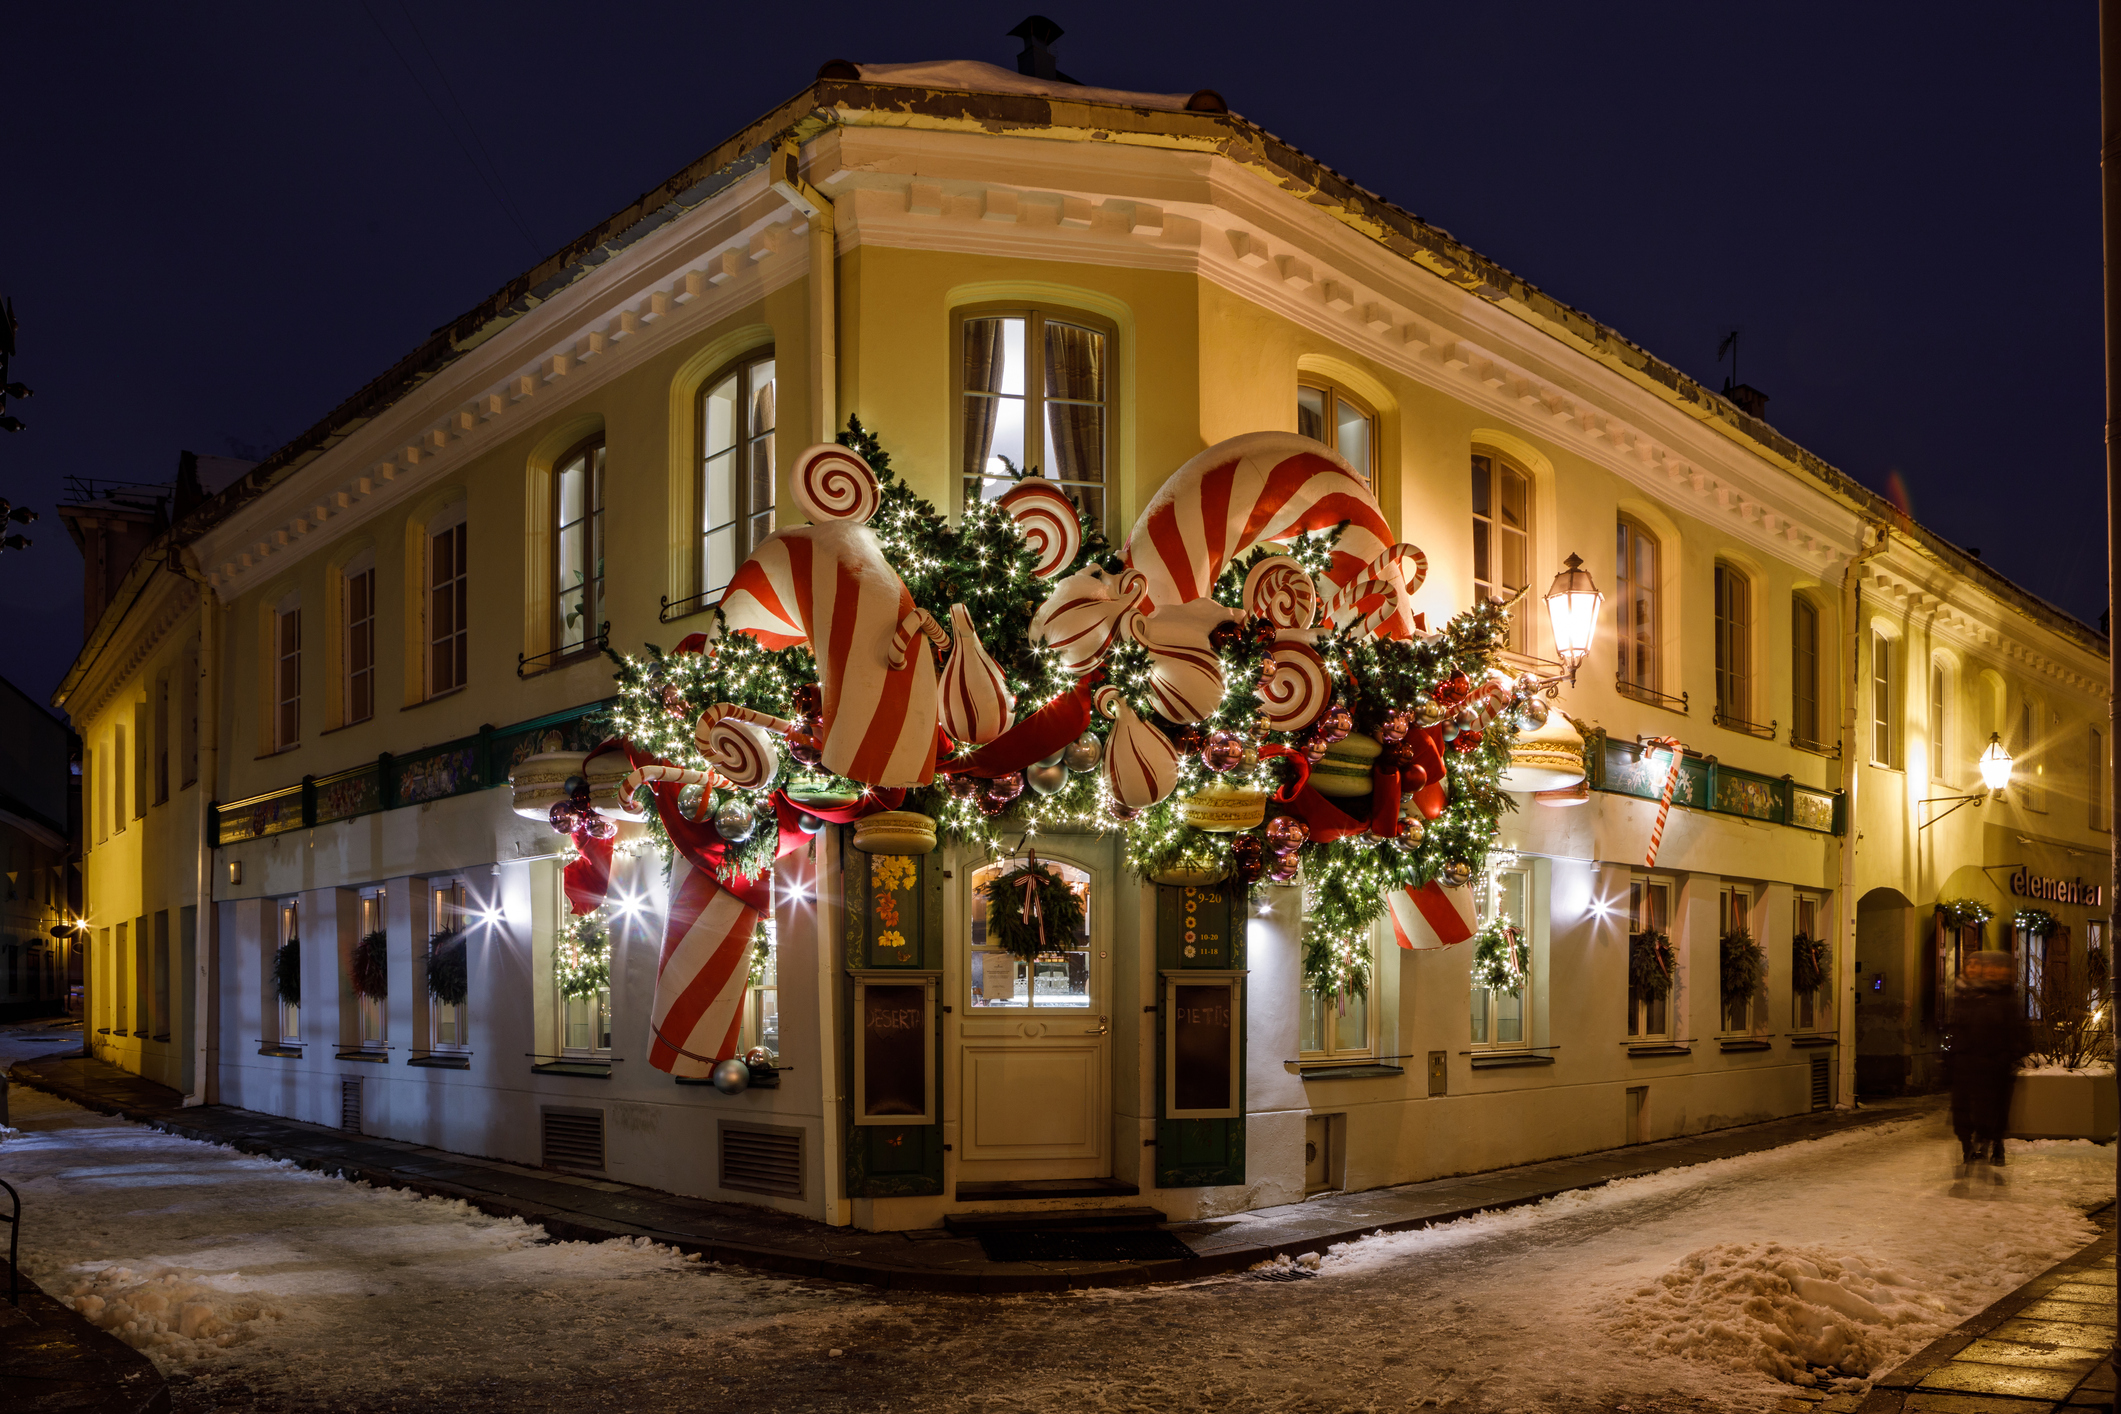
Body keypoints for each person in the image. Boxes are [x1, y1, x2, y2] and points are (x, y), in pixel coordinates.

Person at [1945, 949, 2031, 1167]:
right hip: (1966, 1061)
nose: (1991, 971)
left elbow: (2017, 1032)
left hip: (1994, 1063)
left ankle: (1994, 1142)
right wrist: (1951, 1054)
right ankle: (1968, 1144)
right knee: (1963, 1107)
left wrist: (2006, 1055)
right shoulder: (1965, 994)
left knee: (1992, 1108)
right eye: (1970, 964)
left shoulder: (2003, 998)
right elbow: (1955, 1027)